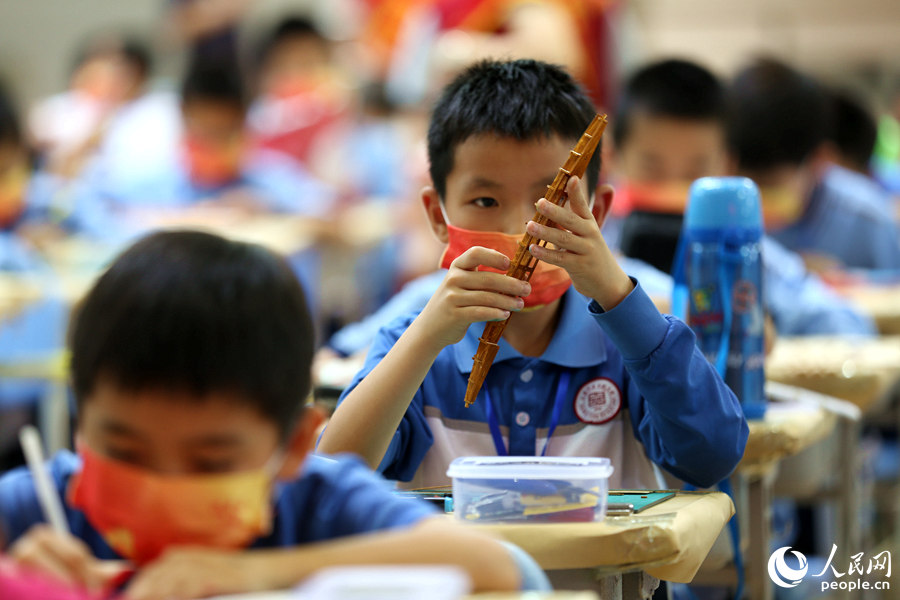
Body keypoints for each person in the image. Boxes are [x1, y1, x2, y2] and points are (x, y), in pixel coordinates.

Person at [0, 230, 525, 599]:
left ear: (294, 445)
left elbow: (500, 567)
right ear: (80, 422)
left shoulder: (315, 505)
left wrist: (255, 573)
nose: (161, 483)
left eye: (211, 462)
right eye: (123, 451)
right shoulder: (40, 508)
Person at [318, 59, 748, 491]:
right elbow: (331, 478)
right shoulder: (412, 344)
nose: (521, 231)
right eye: (486, 201)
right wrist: (424, 341)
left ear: (596, 213)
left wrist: (620, 300)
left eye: (550, 203)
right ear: (437, 215)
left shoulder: (633, 346)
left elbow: (714, 457)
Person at [609, 58, 875, 337]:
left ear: (727, 166)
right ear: (615, 158)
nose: (676, 189)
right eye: (652, 168)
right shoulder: (594, 244)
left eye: (696, 172)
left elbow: (844, 322)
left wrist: (764, 323)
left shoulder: (741, 251)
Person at [728, 57, 900, 272]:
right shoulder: (716, 214)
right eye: (740, 180)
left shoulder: (868, 223)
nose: (752, 199)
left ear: (820, 160)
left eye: (768, 187)